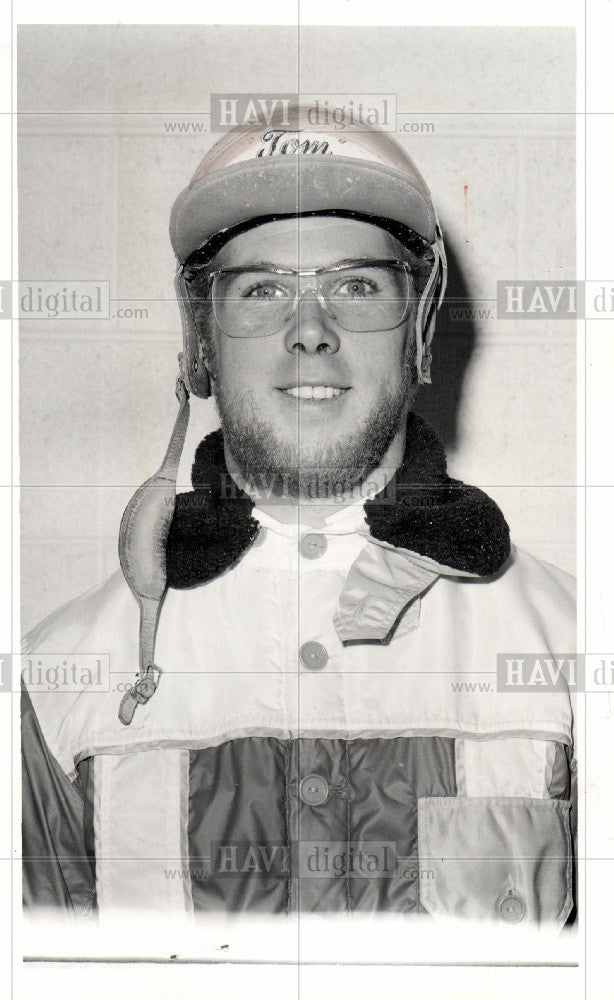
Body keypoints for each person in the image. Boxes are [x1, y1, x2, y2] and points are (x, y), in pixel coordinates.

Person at [22, 107, 576, 927]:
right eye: (263, 289)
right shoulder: (52, 686)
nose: (310, 330)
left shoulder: (572, 653)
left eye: (356, 284)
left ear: (419, 331)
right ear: (201, 340)